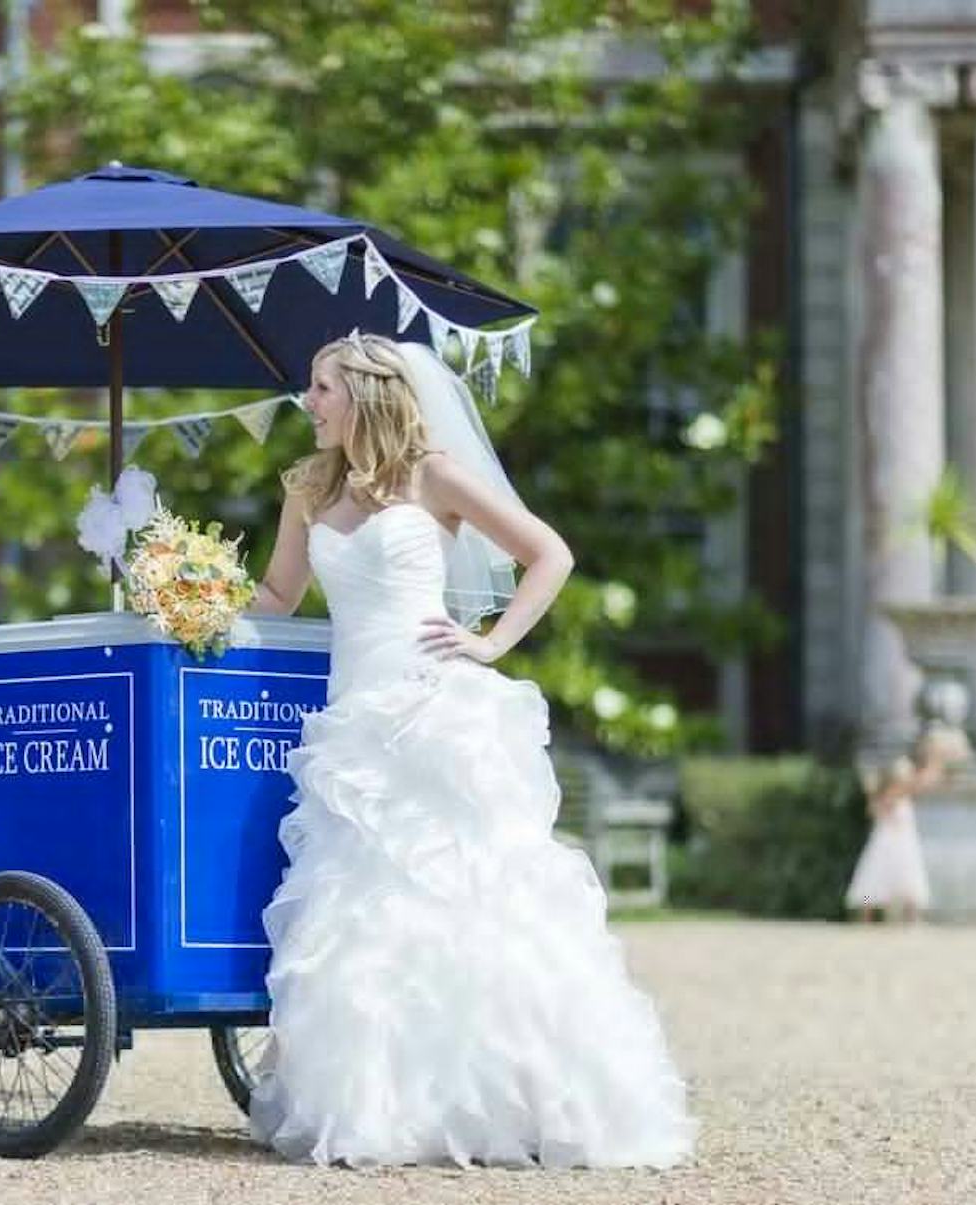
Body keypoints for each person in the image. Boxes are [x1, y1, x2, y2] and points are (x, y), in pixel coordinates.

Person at [243, 332, 694, 1168]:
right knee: (362, 919)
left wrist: (491, 642)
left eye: (322, 387)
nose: (308, 402)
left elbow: (548, 553)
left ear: (368, 395)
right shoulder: (307, 488)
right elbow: (279, 594)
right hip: (354, 729)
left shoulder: (433, 474)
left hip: (433, 711)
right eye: (310, 387)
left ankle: (519, 1098)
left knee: (478, 903)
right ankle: (381, 1110)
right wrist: (193, 599)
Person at [846, 731, 950, 924]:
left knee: (908, 880)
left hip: (904, 843)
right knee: (872, 880)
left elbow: (927, 781)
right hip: (885, 844)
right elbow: (875, 810)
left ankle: (911, 915)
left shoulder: (904, 796)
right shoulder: (889, 798)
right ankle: (866, 913)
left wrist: (936, 759)